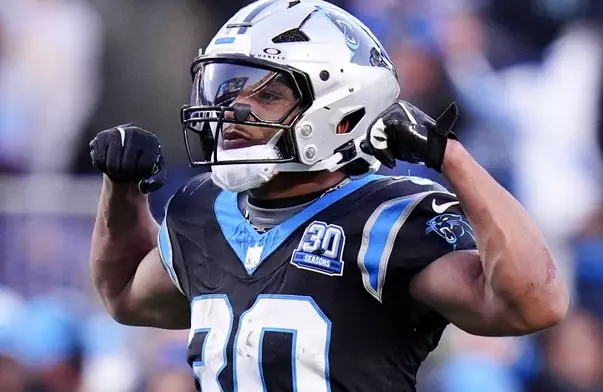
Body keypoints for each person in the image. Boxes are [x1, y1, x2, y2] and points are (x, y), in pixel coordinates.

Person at [88, 1, 568, 391]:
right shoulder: (203, 210)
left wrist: (453, 160)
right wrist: (122, 188)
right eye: (229, 88)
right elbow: (126, 295)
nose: (233, 109)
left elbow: (535, 303)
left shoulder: (390, 217)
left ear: (338, 111)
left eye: (267, 95)